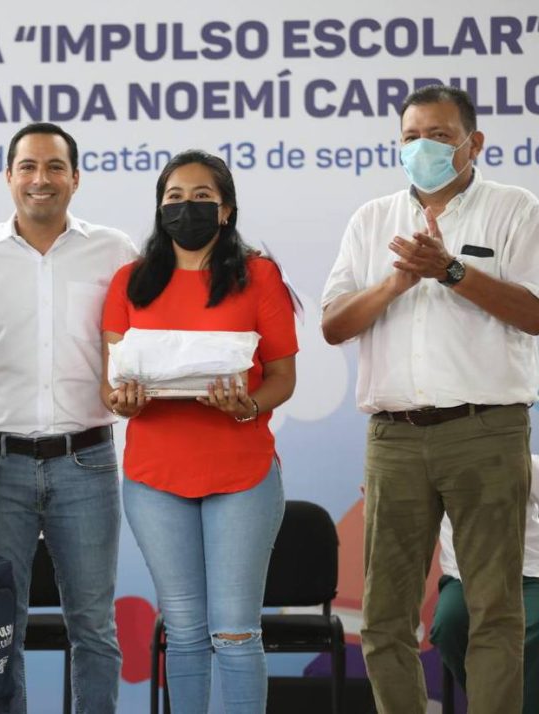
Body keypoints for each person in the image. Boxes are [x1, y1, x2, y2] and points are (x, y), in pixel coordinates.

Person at [321, 84, 539, 714]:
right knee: (385, 616)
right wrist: (396, 281)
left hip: (487, 431)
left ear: (474, 144)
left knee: (492, 611)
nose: (423, 149)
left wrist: (452, 271)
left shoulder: (514, 210)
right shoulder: (371, 220)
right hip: (394, 436)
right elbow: (334, 324)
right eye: (411, 137)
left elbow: (533, 312)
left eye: (440, 137)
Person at [0, 122, 138, 714]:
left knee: (94, 628)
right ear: (8, 177)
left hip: (87, 459)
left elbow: (156, 326)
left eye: (54, 167)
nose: (41, 179)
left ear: (75, 178)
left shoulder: (116, 251)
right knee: (4, 626)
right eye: (28, 166)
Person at [101, 149, 297, 713]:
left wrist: (246, 407)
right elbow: (110, 386)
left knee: (236, 632)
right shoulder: (130, 281)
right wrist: (126, 402)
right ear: (160, 210)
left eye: (203, 198)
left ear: (227, 210)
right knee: (184, 631)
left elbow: (282, 378)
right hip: (154, 477)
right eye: (175, 199)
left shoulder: (259, 275)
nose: (187, 209)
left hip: (242, 473)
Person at [429, 454, 539, 713]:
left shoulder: (527, 464)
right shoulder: (436, 467)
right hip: (464, 578)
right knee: (449, 624)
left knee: (533, 631)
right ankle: (491, 703)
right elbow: (411, 514)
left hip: (529, 575)